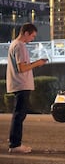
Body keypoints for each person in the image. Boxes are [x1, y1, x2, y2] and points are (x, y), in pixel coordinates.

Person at [6, 23, 48, 153]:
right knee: (19, 115)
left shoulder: (14, 44)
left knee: (19, 114)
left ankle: (15, 143)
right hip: (21, 84)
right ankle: (15, 144)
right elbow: (22, 68)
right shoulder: (20, 46)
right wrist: (37, 63)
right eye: (32, 36)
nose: (32, 39)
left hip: (17, 84)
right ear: (26, 33)